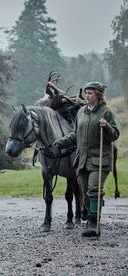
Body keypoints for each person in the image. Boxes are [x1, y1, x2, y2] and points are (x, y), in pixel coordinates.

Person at [53, 81, 119, 237]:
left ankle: (93, 225)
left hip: (100, 160)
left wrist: (107, 126)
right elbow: (75, 135)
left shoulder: (106, 112)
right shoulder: (81, 112)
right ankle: (92, 214)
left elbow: (115, 134)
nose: (87, 95)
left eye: (91, 93)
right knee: (85, 193)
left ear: (98, 95)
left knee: (94, 190)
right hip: (82, 160)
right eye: (87, 93)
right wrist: (60, 142)